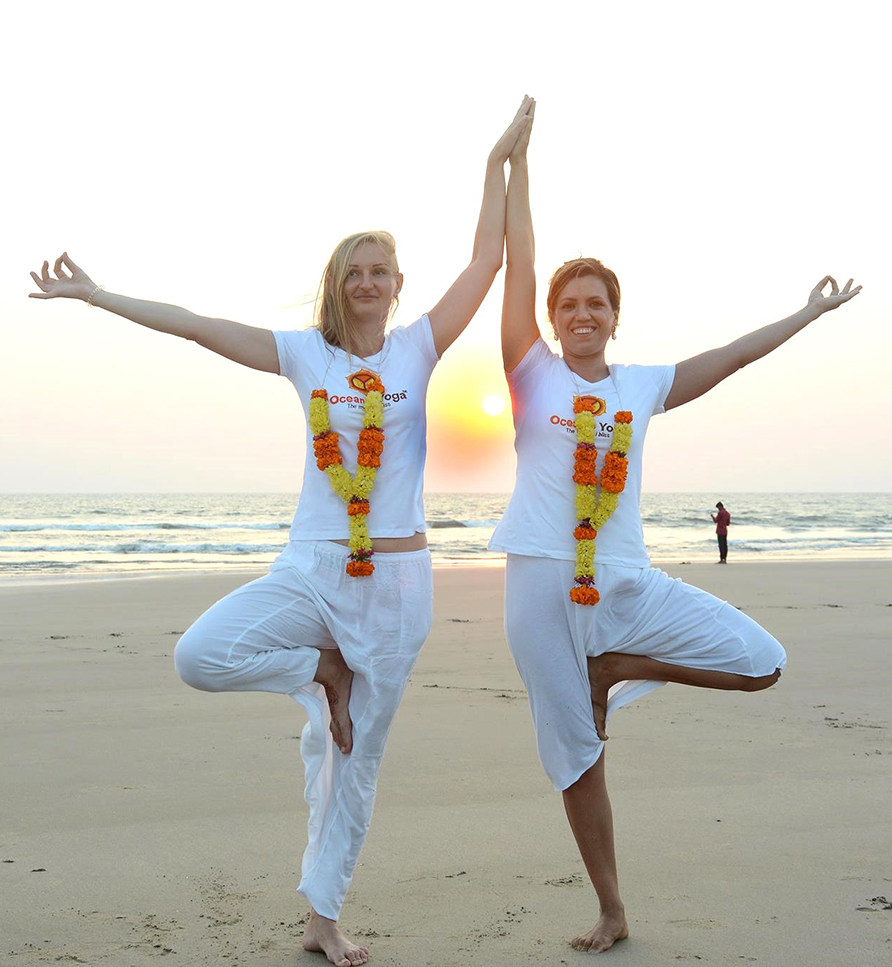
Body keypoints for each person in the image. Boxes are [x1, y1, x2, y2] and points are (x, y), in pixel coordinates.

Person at [28, 97, 534, 967]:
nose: (368, 282)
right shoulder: (310, 357)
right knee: (201, 655)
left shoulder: (417, 349)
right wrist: (95, 294)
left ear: (398, 284)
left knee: (355, 760)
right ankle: (318, 669)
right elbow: (196, 325)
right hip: (310, 569)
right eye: (354, 272)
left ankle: (322, 918)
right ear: (338, 285)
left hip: (401, 585)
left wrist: (499, 161)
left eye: (380, 270)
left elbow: (488, 259)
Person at [488, 101, 861, 954]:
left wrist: (804, 316)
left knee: (764, 664)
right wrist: (517, 163)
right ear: (553, 319)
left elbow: (729, 357)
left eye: (598, 303)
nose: (583, 313)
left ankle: (616, 667)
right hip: (540, 582)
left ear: (617, 315)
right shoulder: (531, 373)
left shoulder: (643, 385)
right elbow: (521, 260)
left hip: (626, 580)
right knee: (579, 759)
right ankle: (613, 909)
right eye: (570, 304)